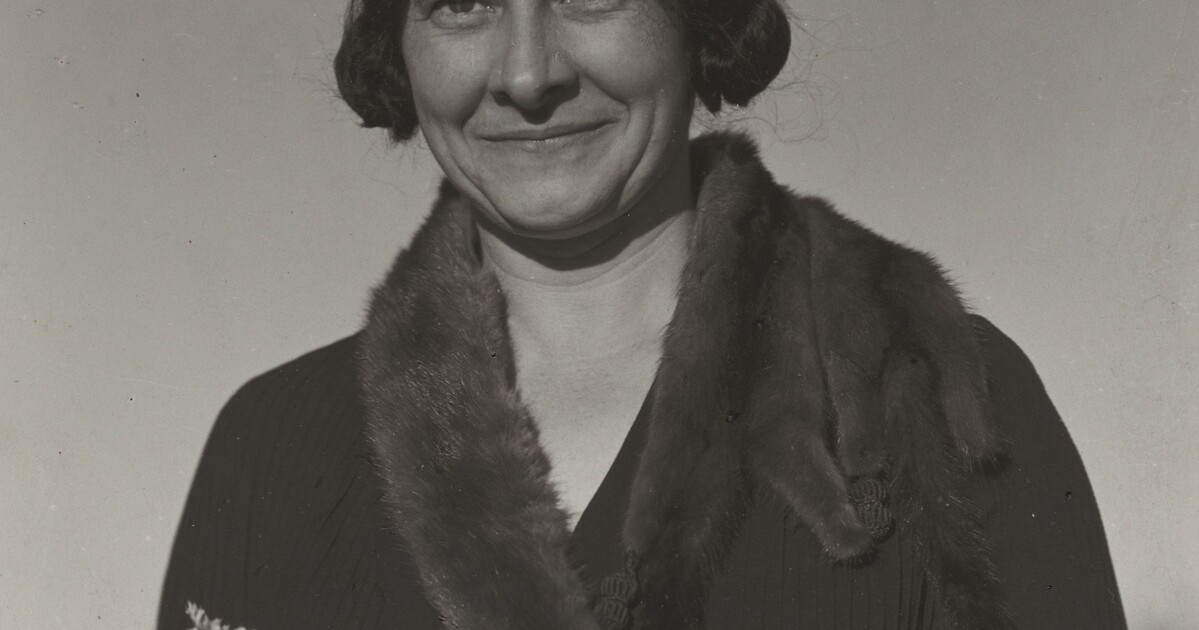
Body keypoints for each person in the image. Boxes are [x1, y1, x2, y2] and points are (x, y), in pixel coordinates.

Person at [158, 0, 1127, 627]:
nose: (528, 73)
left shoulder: (929, 386)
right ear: (397, 42)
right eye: (459, 0)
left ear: (692, 20)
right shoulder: (270, 451)